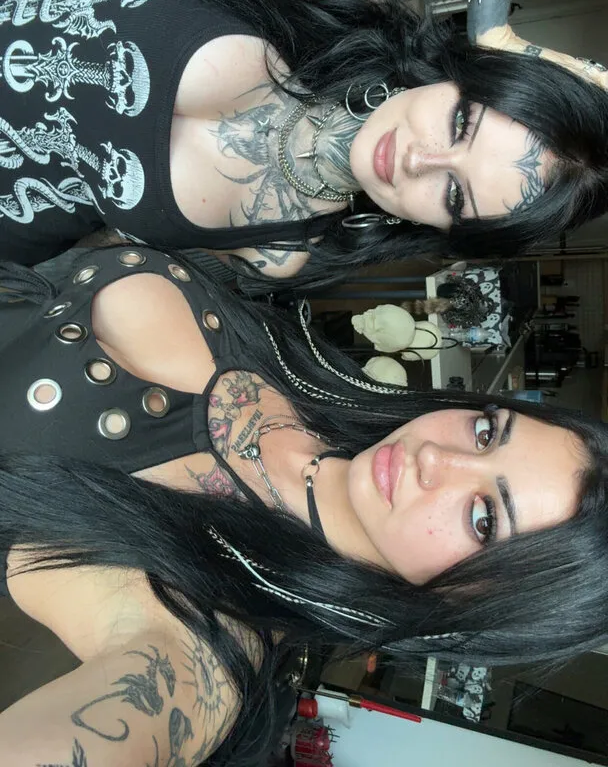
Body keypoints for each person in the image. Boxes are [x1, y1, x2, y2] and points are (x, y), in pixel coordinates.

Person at [1, 242, 608, 767]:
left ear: (467, 607)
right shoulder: (312, 375)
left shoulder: (215, 633)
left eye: (483, 518)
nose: (436, 459)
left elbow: (144, 708)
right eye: (485, 434)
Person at [2, 0, 608, 291]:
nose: (420, 160)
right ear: (459, 79)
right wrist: (492, 27)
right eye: (459, 123)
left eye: (454, 194)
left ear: (445, 230)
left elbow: (97, 253)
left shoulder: (280, 252)